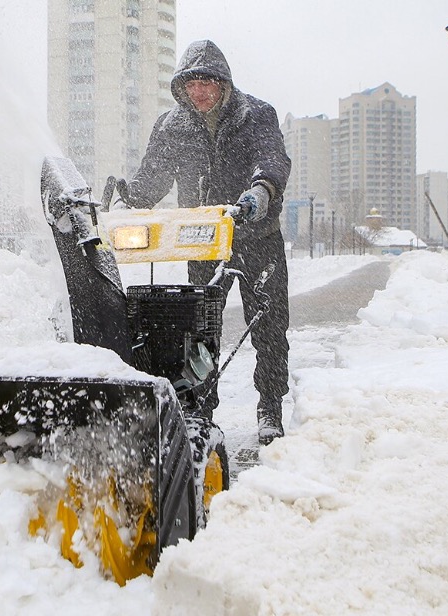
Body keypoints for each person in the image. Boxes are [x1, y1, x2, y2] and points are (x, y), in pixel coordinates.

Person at [117, 40, 292, 445]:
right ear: (181, 87)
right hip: (203, 241)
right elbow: (154, 178)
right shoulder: (171, 126)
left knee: (268, 326)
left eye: (206, 83)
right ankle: (199, 407)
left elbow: (271, 161)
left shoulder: (256, 116)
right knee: (198, 330)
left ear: (223, 83)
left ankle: (270, 406)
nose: (198, 92)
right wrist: (130, 198)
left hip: (257, 236)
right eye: (191, 84)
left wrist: (260, 193)